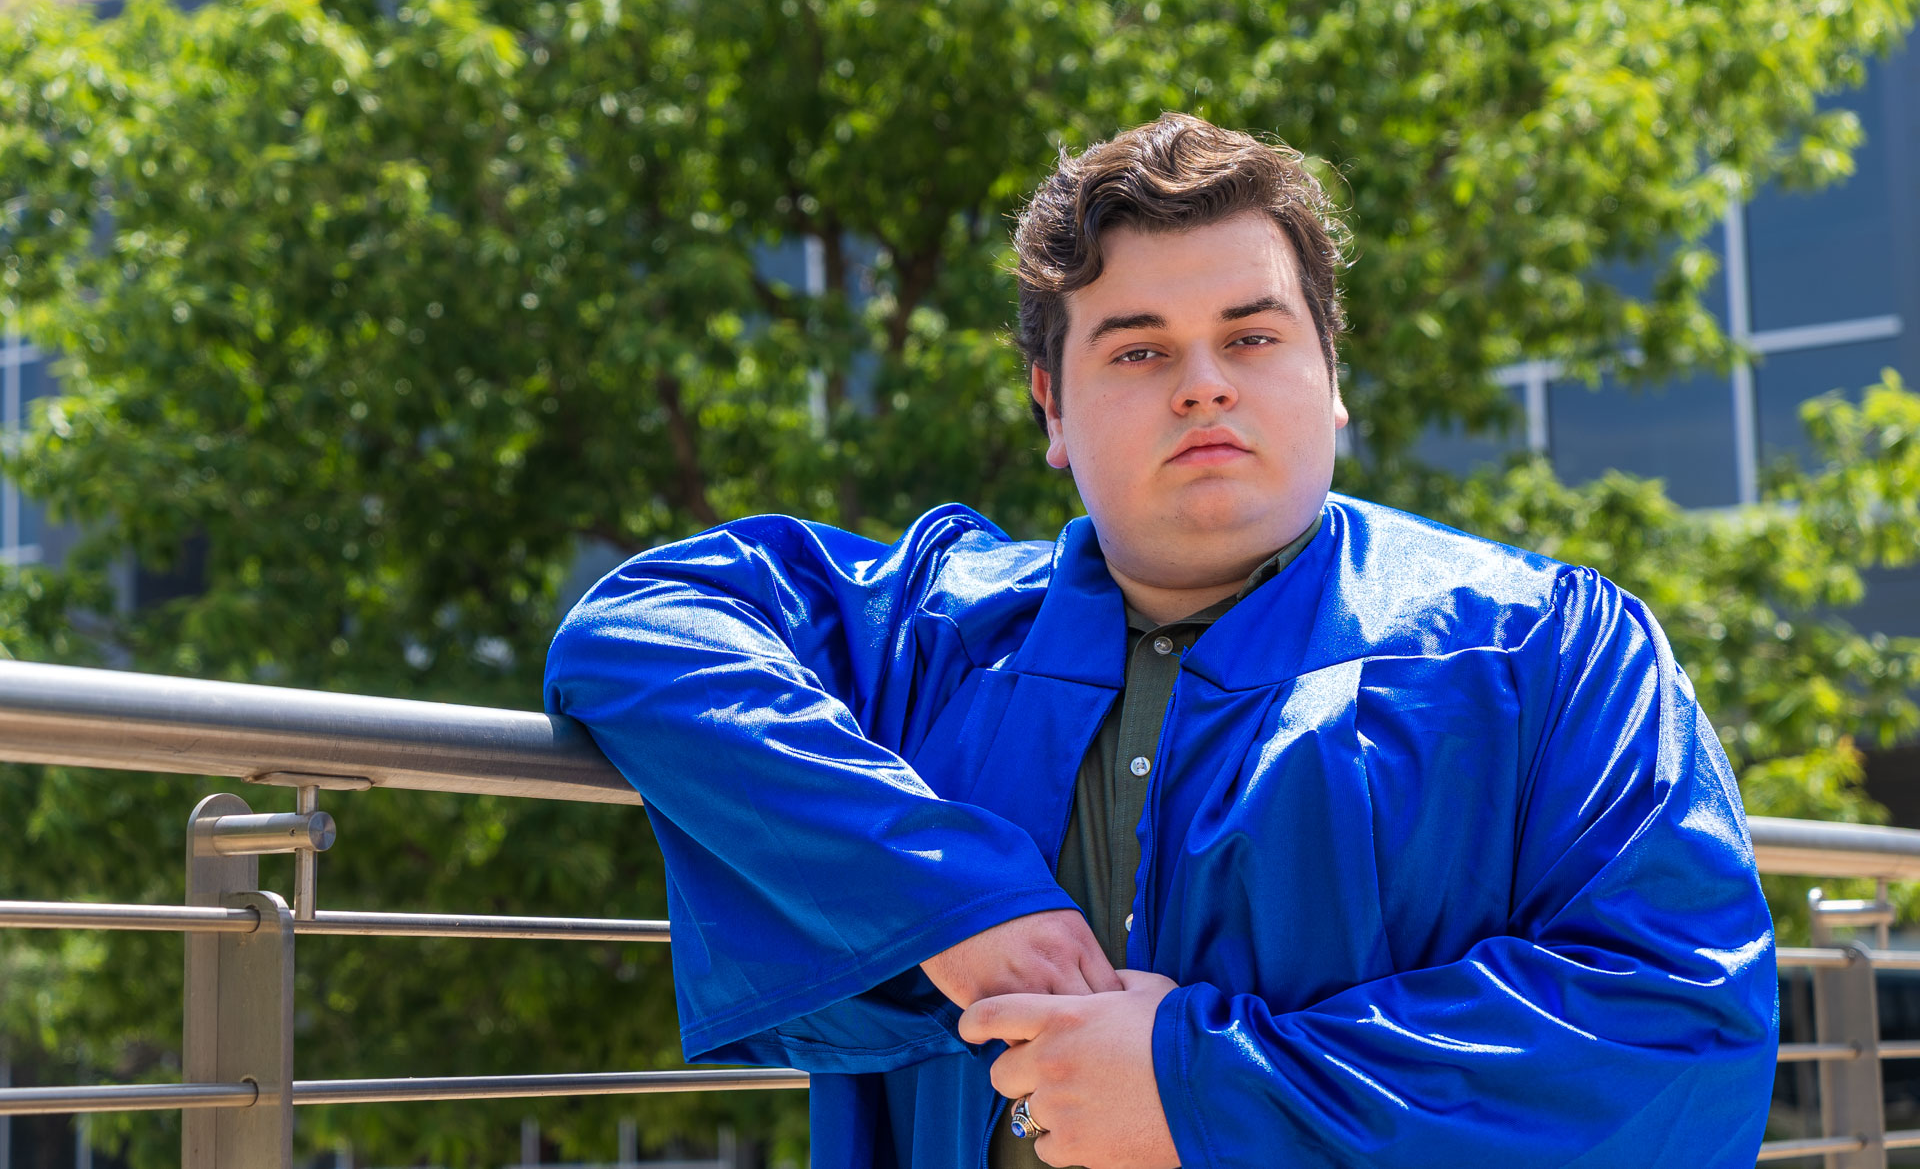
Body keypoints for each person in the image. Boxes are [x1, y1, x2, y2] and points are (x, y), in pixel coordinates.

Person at [543, 113, 1778, 1169]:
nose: (1204, 385)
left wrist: (1202, 1085)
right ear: (1053, 408)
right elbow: (639, 628)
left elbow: (1681, 1032)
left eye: (1252, 336)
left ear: (1331, 372)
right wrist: (948, 894)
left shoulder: (1545, 652)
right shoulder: (926, 631)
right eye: (1138, 350)